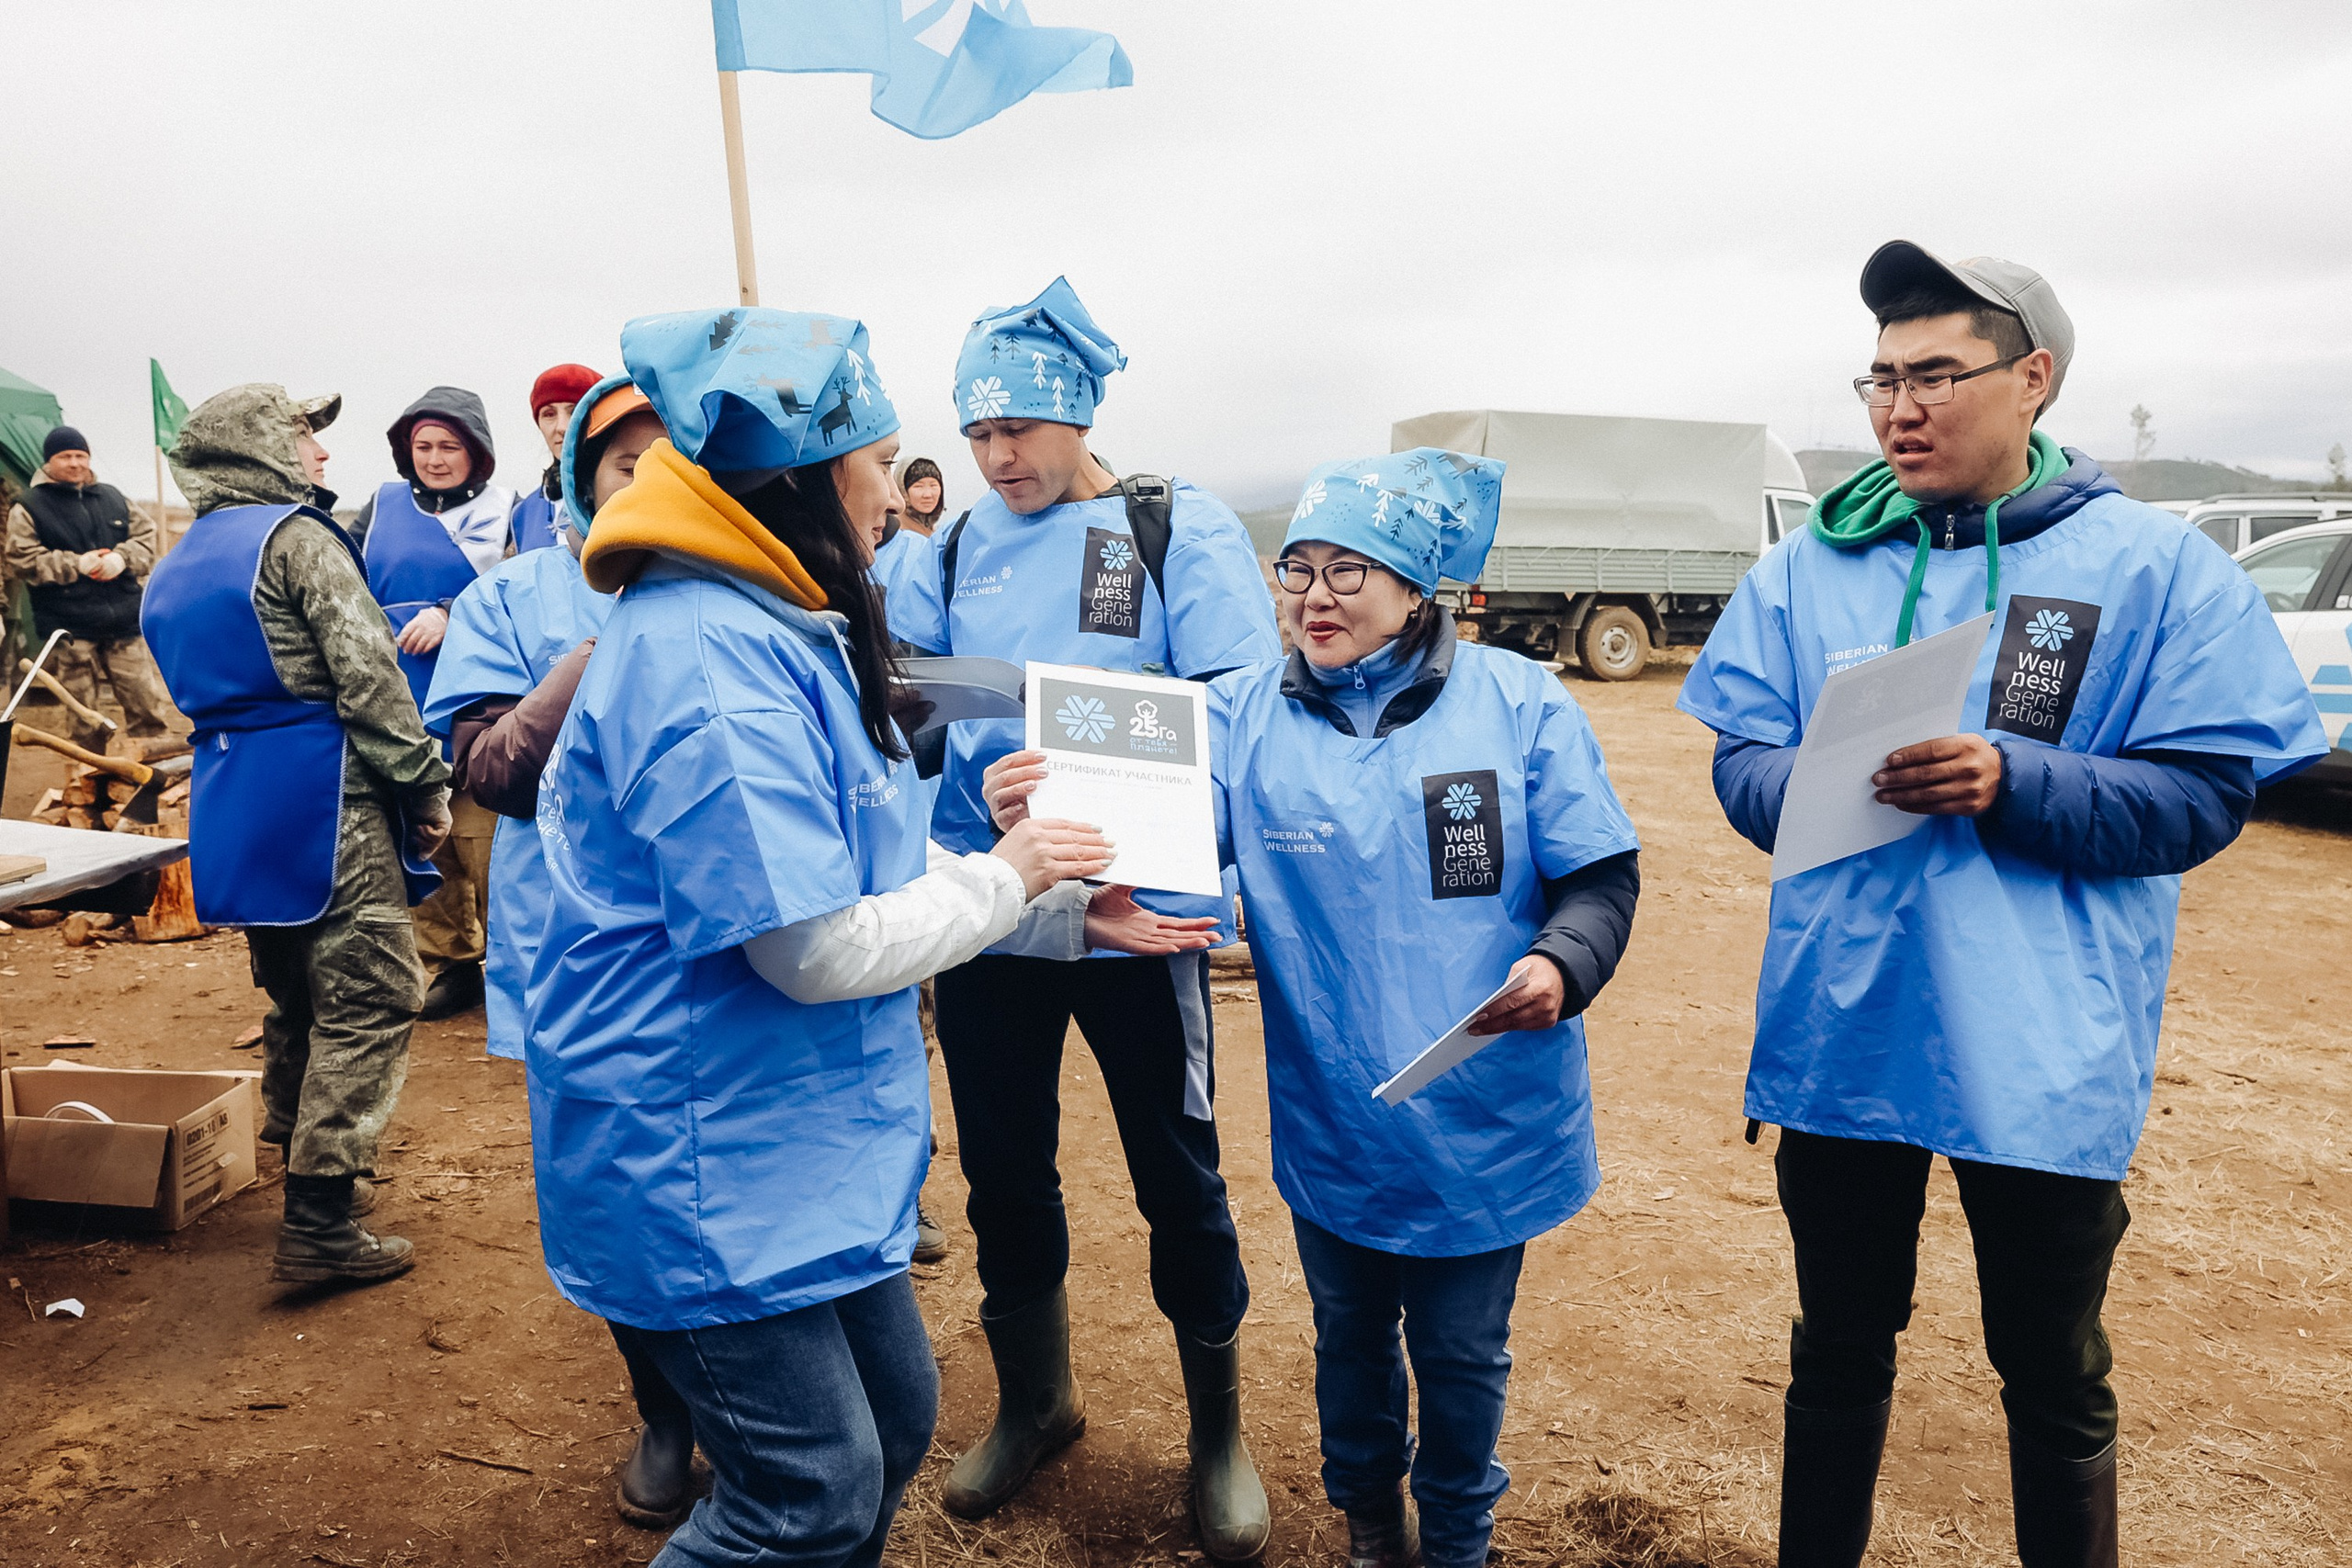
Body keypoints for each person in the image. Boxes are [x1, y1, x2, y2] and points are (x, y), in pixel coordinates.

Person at [1676, 243, 2326, 1568]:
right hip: (1845, 1029)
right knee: (1838, 1340)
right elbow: (1741, 763)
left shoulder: (2152, 568)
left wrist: (2009, 776)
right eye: (1880, 378)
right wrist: (1820, 779)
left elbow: (2202, 797)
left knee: (2049, 1355)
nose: (1898, 407)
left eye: (1934, 374)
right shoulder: (1815, 567)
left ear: (2032, 378)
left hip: (2041, 1044)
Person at [525, 305, 1192, 1568]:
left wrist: (1044, 894)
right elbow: (808, 945)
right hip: (705, 1149)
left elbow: (857, 860)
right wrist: (1010, 876)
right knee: (807, 1490)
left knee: (892, 1423)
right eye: (880, 463)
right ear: (811, 473)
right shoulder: (710, 657)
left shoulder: (779, 617)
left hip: (790, 1137)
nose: (898, 491)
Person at [990, 448, 1641, 1568]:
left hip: (1487, 1114)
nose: (1313, 595)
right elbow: (1157, 845)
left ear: (1413, 590)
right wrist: (1035, 801)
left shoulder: (1516, 701)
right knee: (1346, 1340)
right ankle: (1370, 1529)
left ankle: (1458, 1541)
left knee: (1462, 1355)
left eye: (1349, 571)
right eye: (1297, 569)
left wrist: (1563, 965)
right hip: (1338, 1114)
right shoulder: (1241, 714)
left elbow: (1599, 879)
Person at [888, 276, 1283, 1558]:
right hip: (999, 911)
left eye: (1023, 431)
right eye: (979, 433)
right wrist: (982, 779)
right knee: (1004, 1164)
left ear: (1080, 417)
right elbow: (905, 719)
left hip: (1138, 914)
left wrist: (1110, 792)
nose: (1000, 458)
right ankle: (1036, 1398)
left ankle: (1216, 1426)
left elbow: (1238, 706)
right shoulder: (936, 549)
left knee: (1180, 1168)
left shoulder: (1170, 529)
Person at [423, 375, 710, 1529]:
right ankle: (665, 1412)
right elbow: (485, 768)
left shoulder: (737, 586)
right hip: (575, 958)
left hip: (721, 949)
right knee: (614, 1199)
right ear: (576, 488)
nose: (645, 487)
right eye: (618, 469)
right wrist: (581, 674)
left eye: (669, 466)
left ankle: (749, 1412)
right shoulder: (514, 597)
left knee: (722, 1182)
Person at [141, 383, 449, 1284]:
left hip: (233, 794)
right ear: (260, 447)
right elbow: (369, 678)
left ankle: (308, 1170)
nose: (319, 456)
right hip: (325, 791)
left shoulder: (180, 559)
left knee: (295, 991)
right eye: (303, 437)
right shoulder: (297, 540)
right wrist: (422, 787)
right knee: (373, 987)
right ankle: (320, 1217)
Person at [352, 387, 515, 1020]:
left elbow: (519, 589)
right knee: (423, 839)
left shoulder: (510, 509)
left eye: (450, 446)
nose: (436, 458)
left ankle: (513, 961)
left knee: (488, 841)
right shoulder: (382, 505)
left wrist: (454, 613)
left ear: (476, 451)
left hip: (480, 695)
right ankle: (452, 960)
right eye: (423, 446)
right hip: (398, 693)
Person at [5, 424, 177, 752]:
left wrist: (121, 559)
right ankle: (90, 788)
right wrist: (77, 564)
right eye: (65, 456)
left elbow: (147, 538)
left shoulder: (113, 497)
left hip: (124, 622)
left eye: (80, 455)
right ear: (48, 462)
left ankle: (153, 784)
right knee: (84, 720)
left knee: (147, 710)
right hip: (71, 629)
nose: (74, 463)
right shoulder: (28, 506)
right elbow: (21, 559)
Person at [510, 363, 603, 554]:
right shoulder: (523, 513)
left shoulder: (627, 490)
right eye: (549, 414)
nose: (562, 427)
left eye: (574, 411)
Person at [869, 455, 943, 644]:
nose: (928, 494)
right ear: (902, 490)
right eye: (918, 486)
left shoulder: (938, 536)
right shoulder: (892, 540)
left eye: (933, 485)